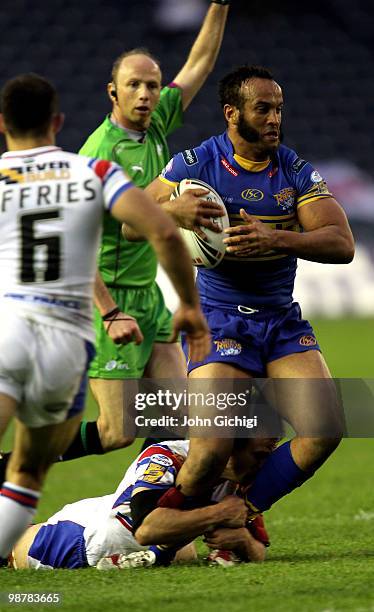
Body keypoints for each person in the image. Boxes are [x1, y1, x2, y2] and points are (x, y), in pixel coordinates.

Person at [0, 73, 210, 566]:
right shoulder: (93, 172)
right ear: (58, 122)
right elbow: (161, 229)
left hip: (8, 329)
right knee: (29, 471)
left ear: (3, 124)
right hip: (63, 341)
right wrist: (189, 305)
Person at [146, 64, 355, 517]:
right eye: (262, 109)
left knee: (325, 429)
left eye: (279, 109)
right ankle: (159, 524)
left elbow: (342, 244)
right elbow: (130, 221)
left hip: (279, 319)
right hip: (219, 318)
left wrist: (277, 238)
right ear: (232, 113)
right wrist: (174, 213)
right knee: (210, 450)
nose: (274, 118)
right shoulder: (197, 163)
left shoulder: (295, 171)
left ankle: (239, 514)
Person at [57, 0, 231, 461]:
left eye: (152, 85)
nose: (145, 94)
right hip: (105, 299)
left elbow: (200, 63)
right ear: (112, 92)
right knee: (117, 432)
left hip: (148, 299)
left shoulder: (155, 124)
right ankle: (19, 463)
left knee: (178, 423)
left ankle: (167, 529)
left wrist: (219, 5)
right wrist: (111, 312)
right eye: (133, 85)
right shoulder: (99, 154)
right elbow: (93, 241)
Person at [9, 438, 274, 570]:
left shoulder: (244, 474)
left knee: (186, 552)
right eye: (260, 455)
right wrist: (220, 513)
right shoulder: (164, 457)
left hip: (107, 513)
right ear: (230, 446)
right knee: (13, 543)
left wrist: (243, 541)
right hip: (84, 537)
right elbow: (147, 529)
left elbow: (258, 546)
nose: (265, 464)